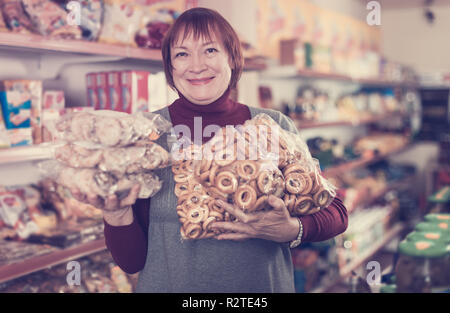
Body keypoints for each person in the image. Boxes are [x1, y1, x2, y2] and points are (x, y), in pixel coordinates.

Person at [74, 7, 348, 293]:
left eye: (210, 50)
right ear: (170, 67)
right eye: (182, 54)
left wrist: (292, 229)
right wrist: (117, 216)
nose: (196, 65)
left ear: (232, 57)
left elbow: (337, 213)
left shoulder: (272, 127)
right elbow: (131, 262)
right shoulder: (146, 134)